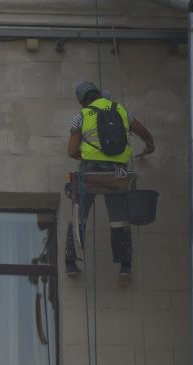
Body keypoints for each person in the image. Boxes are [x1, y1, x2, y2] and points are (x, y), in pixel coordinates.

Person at [64, 81, 156, 281]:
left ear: (82, 101)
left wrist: (84, 155)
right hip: (117, 172)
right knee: (119, 218)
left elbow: (71, 151)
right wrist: (150, 146)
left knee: (79, 216)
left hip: (90, 171)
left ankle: (71, 264)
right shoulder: (120, 110)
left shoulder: (82, 115)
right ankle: (125, 267)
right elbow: (143, 132)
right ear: (99, 94)